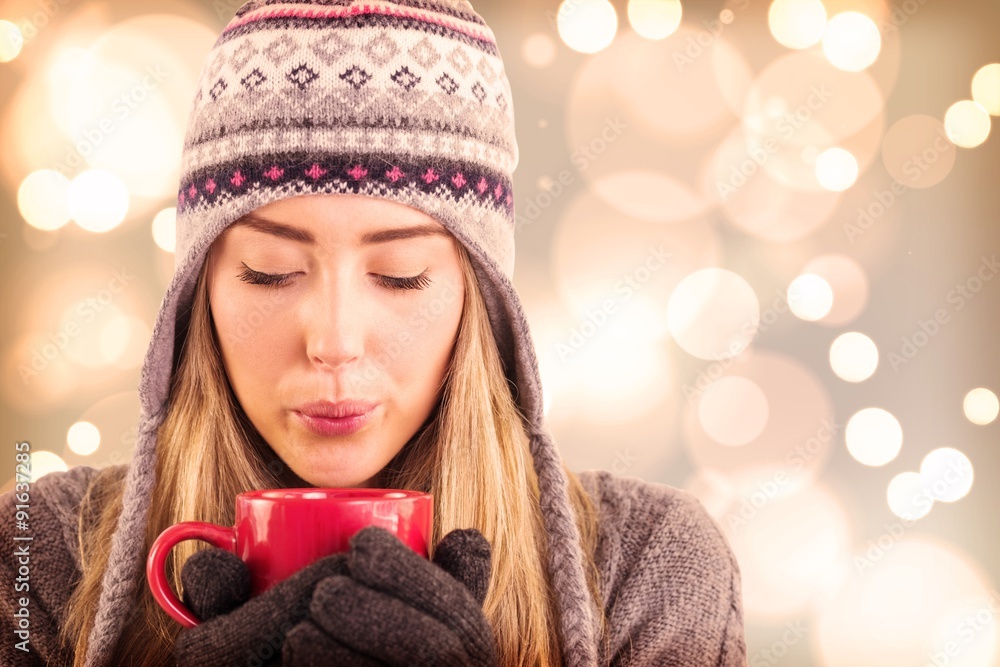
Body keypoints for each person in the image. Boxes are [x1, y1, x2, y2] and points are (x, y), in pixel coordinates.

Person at [0, 1, 748, 665]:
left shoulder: (649, 566)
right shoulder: (43, 548)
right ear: (197, 293)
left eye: (400, 274)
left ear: (480, 300)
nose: (332, 341)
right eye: (267, 270)